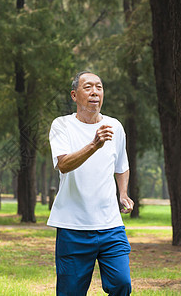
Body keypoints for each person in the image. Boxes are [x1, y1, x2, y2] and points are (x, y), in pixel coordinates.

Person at [48, 71, 134, 296]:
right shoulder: (61, 125)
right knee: (70, 293)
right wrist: (94, 145)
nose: (95, 92)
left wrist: (123, 194)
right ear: (75, 95)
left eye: (99, 87)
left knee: (122, 283)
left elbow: (122, 165)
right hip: (73, 226)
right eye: (88, 87)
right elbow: (64, 164)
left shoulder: (115, 126)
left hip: (111, 225)